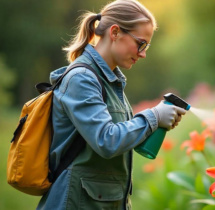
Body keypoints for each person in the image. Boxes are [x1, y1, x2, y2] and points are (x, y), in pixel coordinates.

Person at [37, 0, 186, 209]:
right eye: (140, 44)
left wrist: (156, 120)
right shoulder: (82, 79)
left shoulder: (110, 80)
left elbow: (115, 135)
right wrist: (153, 117)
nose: (143, 53)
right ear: (115, 32)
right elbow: (106, 141)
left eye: (146, 46)